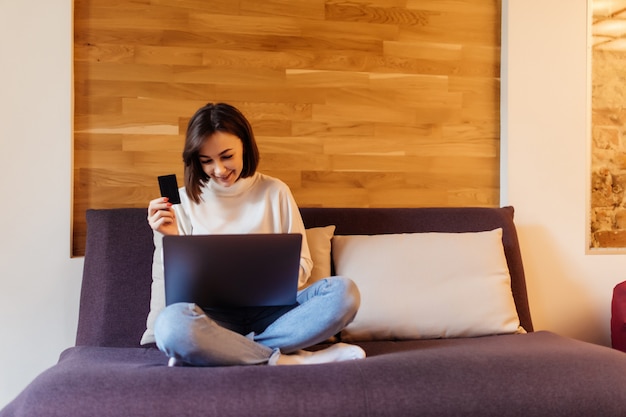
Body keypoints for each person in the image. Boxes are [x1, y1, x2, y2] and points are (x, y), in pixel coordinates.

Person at [147, 102, 365, 366]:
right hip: (214, 319)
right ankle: (285, 359)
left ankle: (224, 351)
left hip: (274, 315)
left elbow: (304, 264)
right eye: (207, 161)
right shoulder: (182, 201)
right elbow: (182, 291)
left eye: (227, 156)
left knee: (344, 293)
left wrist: (268, 281)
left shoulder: (275, 191)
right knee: (171, 326)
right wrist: (171, 236)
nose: (218, 169)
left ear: (245, 147)